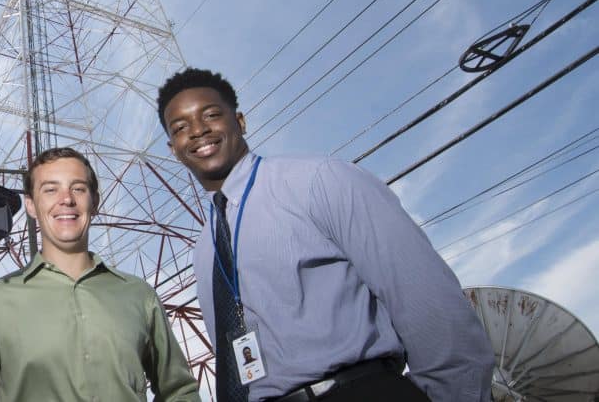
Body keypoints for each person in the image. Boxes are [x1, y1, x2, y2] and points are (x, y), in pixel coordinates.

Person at [156, 68, 493, 402]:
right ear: (173, 148)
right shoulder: (205, 249)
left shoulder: (320, 181)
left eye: (211, 115)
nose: (198, 130)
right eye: (181, 128)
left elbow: (426, 300)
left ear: (240, 122)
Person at [0, 147, 201, 401]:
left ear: (95, 201)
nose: (66, 200)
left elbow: (180, 391)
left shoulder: (139, 295)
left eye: (78, 189)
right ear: (30, 205)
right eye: (50, 189)